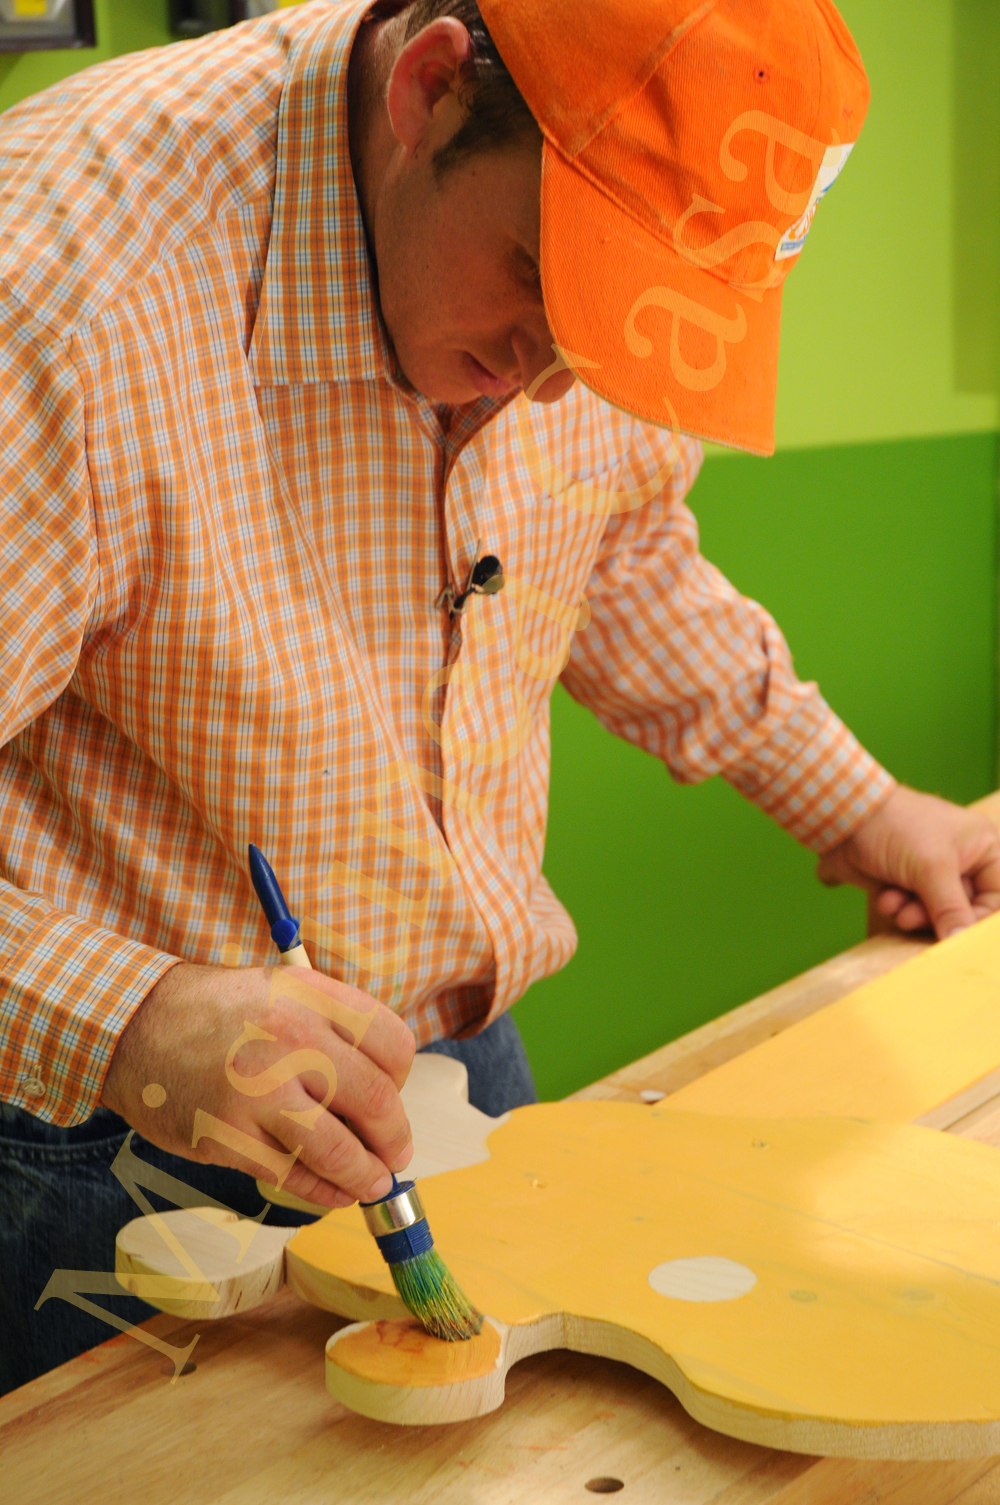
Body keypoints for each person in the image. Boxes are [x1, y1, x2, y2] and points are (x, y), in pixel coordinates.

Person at [1, 0, 998, 1394]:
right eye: (541, 279)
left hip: (459, 1068)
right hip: (101, 1142)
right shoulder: (64, 288)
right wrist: (129, 1013)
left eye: (613, 336)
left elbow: (619, 555)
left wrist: (869, 808)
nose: (551, 384)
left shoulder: (572, 327)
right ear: (430, 91)